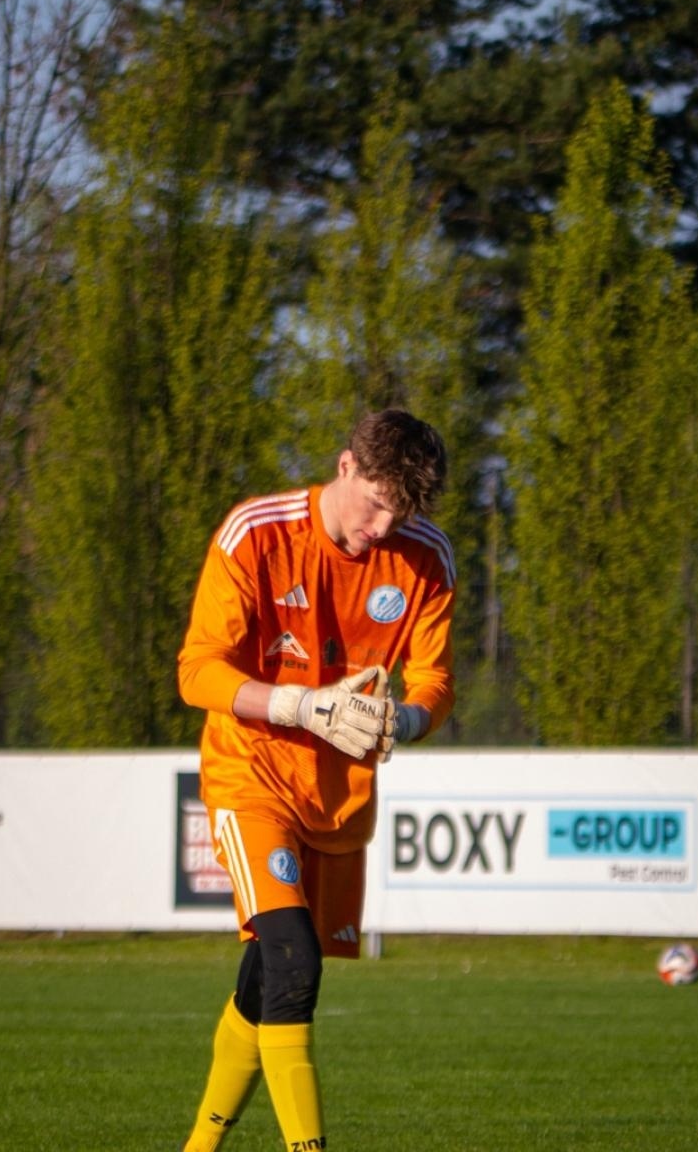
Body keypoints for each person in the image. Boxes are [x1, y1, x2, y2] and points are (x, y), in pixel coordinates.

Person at [178, 408, 456, 1150]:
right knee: (294, 962)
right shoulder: (256, 533)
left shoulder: (427, 557)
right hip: (252, 775)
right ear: (345, 467)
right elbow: (197, 672)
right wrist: (300, 705)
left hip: (336, 800)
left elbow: (434, 681)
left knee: (266, 975)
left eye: (401, 514)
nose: (383, 528)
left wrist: (405, 721)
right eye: (377, 504)